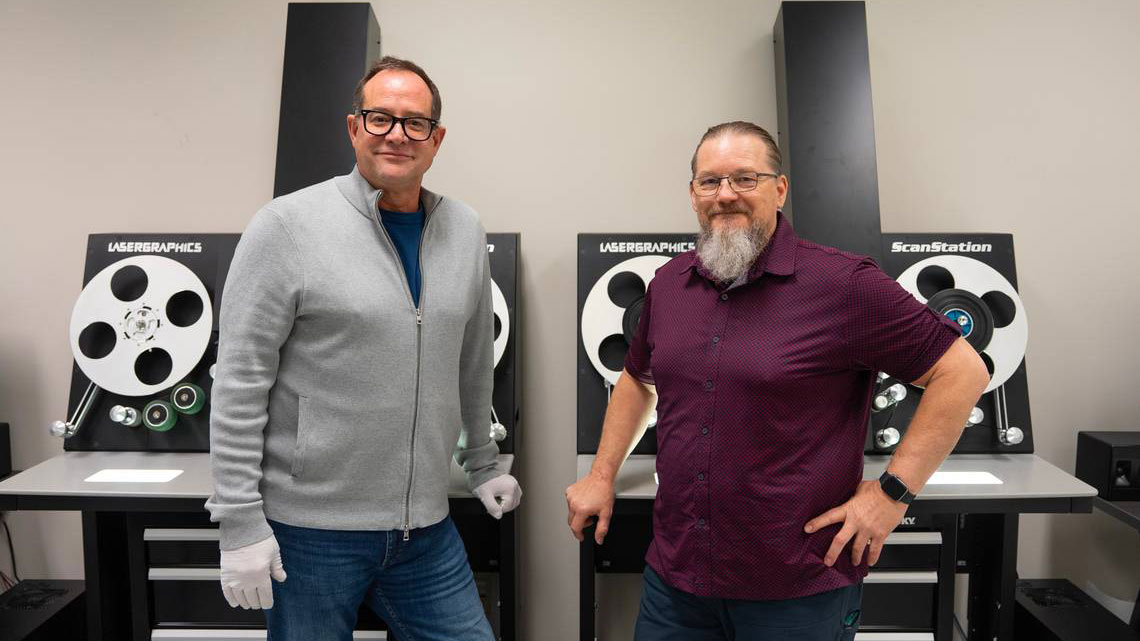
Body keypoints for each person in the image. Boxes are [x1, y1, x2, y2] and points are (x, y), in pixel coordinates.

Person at [565, 121, 989, 641]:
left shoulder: (844, 285)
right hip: (677, 583)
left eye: (745, 178)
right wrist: (601, 475)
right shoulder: (669, 285)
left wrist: (892, 494)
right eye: (710, 182)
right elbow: (638, 380)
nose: (725, 195)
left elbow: (962, 371)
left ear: (780, 189)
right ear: (693, 194)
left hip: (797, 592)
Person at [206, 56, 521, 641]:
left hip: (425, 529)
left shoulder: (465, 230)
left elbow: (473, 362)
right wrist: (239, 521)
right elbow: (240, 382)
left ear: (436, 140)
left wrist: (481, 462)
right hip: (310, 533)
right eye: (381, 118)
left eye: (415, 123)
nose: (397, 135)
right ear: (354, 128)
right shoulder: (286, 227)